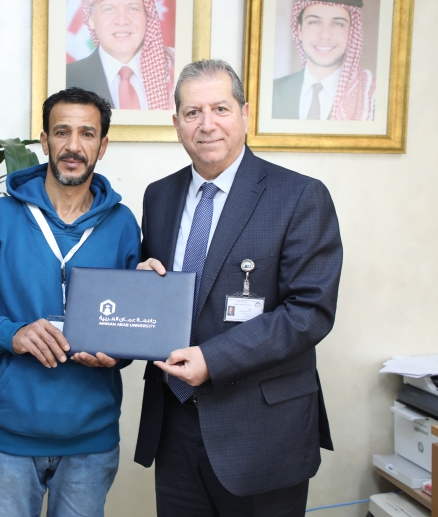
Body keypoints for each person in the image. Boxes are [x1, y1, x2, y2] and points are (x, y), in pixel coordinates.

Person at [134, 59, 343, 516]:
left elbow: (309, 312)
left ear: (245, 114)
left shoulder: (299, 196)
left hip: (262, 431)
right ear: (176, 123)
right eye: (193, 112)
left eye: (221, 109)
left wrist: (214, 359)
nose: (207, 124)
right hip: (174, 427)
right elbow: (165, 296)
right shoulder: (159, 196)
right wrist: (141, 290)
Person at [0, 87, 140, 516]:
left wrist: (118, 353)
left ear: (103, 145)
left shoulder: (123, 225)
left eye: (87, 134)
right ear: (45, 140)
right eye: (62, 132)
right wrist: (12, 335)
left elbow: (129, 322)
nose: (73, 146)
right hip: (11, 436)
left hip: (91, 439)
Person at [66, 0, 174, 110]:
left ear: (147, 15)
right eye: (109, 9)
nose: (122, 21)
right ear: (91, 19)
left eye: (133, 8)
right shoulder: (67, 78)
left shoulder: (176, 71)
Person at [272, 0, 375, 121]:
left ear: (352, 33)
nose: (325, 35)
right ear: (299, 30)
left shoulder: (371, 97)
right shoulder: (271, 92)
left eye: (338, 24)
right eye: (314, 22)